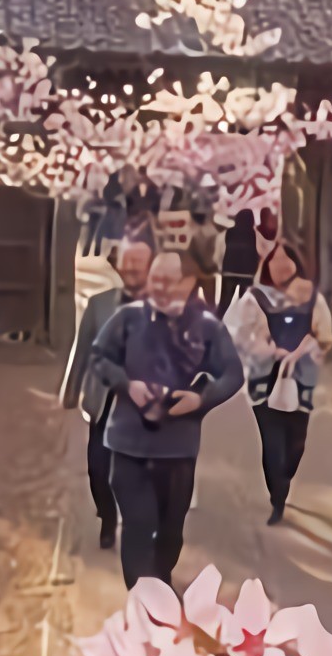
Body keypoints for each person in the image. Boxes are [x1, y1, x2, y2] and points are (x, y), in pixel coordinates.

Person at [89, 247, 242, 586]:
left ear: (189, 283)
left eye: (168, 280)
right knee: (138, 525)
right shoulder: (128, 318)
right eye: (154, 278)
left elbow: (232, 375)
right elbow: (99, 357)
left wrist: (200, 400)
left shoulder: (207, 328)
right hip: (128, 443)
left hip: (178, 449)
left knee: (171, 532)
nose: (158, 286)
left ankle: (161, 578)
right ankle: (144, 603)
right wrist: (126, 385)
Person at [226, 234, 332, 525]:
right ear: (267, 266)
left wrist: (308, 348)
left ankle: (284, 480)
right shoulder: (254, 298)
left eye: (288, 260)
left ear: (297, 265)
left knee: (296, 442)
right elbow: (237, 334)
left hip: (301, 379)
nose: (282, 266)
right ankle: (278, 497)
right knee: (272, 442)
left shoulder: (312, 298)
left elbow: (325, 336)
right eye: (276, 261)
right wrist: (265, 347)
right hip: (265, 377)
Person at [60, 235, 151, 550]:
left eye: (141, 264)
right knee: (98, 468)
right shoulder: (99, 304)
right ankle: (108, 516)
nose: (134, 270)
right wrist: (70, 392)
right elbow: (82, 347)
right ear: (119, 267)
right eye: (130, 263)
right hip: (104, 402)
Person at [219, 205, 259, 311]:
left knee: (224, 304)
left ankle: (218, 324)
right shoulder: (254, 234)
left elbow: (223, 249)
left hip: (229, 271)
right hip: (247, 274)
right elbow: (257, 253)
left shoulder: (230, 232)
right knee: (244, 306)